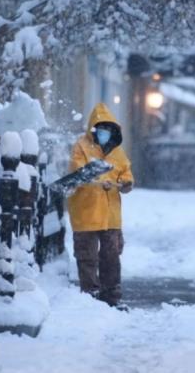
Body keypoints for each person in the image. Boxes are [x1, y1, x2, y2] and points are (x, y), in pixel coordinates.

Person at [67, 103, 134, 308]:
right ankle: (90, 296)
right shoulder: (81, 146)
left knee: (111, 257)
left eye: (109, 128)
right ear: (93, 128)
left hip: (110, 214)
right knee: (87, 256)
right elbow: (78, 171)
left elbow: (126, 172)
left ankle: (111, 295)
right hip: (86, 211)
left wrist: (126, 183)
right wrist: (98, 180)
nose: (105, 132)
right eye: (101, 128)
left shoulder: (118, 151)